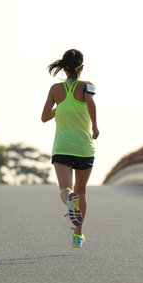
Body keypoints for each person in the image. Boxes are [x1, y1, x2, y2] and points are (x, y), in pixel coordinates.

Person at [41, 49, 99, 248]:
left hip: (62, 148)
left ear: (64, 69)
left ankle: (69, 199)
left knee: (66, 189)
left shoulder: (55, 90)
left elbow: (44, 117)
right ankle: (77, 235)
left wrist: (62, 105)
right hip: (84, 148)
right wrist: (95, 126)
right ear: (82, 67)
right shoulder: (87, 86)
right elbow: (90, 102)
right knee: (81, 191)